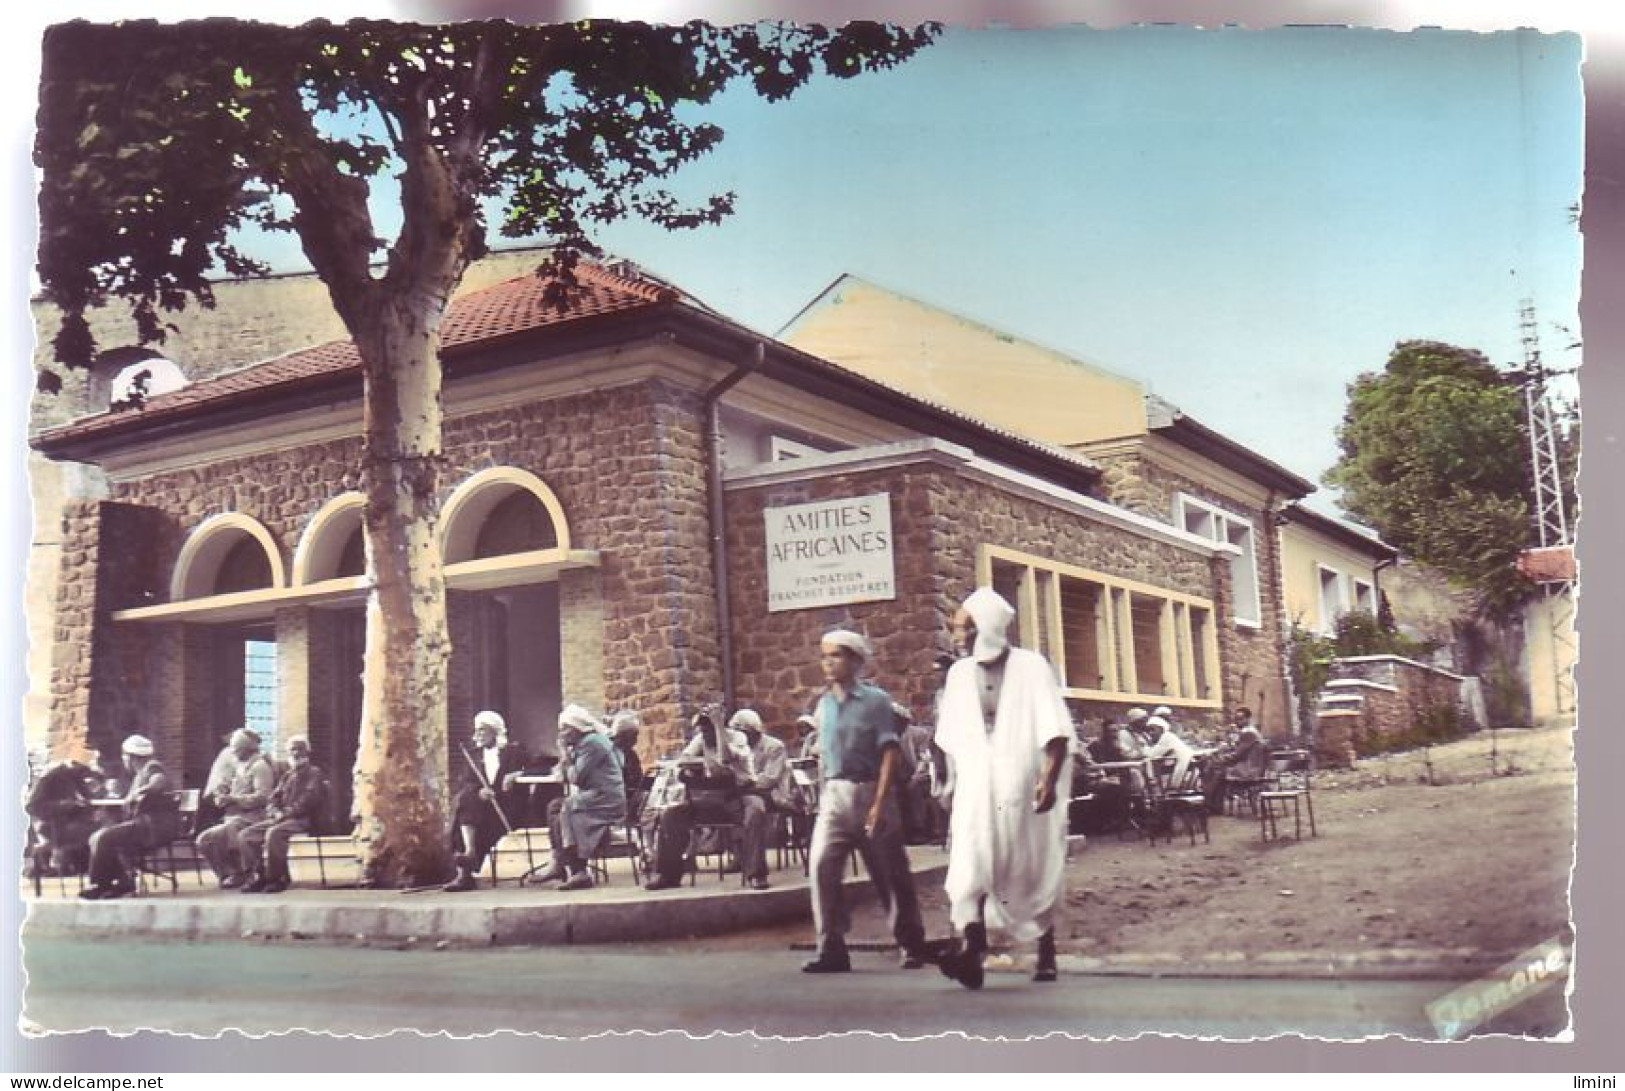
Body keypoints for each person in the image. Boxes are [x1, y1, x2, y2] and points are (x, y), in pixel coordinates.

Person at [934, 588, 1071, 988]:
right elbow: (952, 737)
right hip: (978, 783)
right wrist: (948, 781)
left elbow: (1055, 731)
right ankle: (972, 951)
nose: (955, 635)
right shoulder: (959, 675)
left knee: (1030, 862)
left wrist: (1048, 779)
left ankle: (1046, 950)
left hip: (1022, 778)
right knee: (971, 861)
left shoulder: (1031, 667)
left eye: (961, 628)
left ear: (984, 627)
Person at [801, 629, 927, 974]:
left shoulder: (875, 701)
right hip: (835, 795)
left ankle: (911, 942)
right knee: (823, 868)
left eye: (837, 655)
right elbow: (825, 757)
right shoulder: (823, 705)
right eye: (825, 655)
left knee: (889, 870)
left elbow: (889, 751)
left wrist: (879, 803)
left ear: (856, 661)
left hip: (871, 790)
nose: (828, 663)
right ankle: (831, 949)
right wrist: (823, 796)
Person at [642, 709, 753, 891]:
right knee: (671, 816)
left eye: (709, 728)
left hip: (737, 798)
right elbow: (683, 760)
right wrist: (689, 767)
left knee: (754, 811)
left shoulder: (737, 738)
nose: (705, 734)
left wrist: (719, 729)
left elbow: (726, 758)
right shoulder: (702, 739)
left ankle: (752, 869)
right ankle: (667, 874)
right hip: (709, 799)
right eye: (703, 729)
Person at [533, 705, 628, 891]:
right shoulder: (581, 744)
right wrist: (566, 761)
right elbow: (563, 773)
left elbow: (575, 777)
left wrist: (563, 753)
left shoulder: (593, 743)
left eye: (565, 728)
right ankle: (560, 861)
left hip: (606, 798)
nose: (562, 733)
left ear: (577, 728)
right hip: (593, 795)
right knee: (554, 807)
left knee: (569, 807)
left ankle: (579, 871)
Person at [79, 734, 181, 900]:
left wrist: (142, 792)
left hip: (152, 827)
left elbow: (159, 781)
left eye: (125, 757)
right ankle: (122, 881)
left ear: (132, 758)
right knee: (96, 837)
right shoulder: (139, 774)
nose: (124, 761)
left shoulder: (151, 767)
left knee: (105, 837)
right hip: (144, 825)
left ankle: (101, 884)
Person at [443, 710, 526, 892]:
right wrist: (480, 792)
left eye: (482, 730)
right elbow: (465, 782)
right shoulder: (473, 755)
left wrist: (516, 775)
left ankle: (466, 870)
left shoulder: (514, 751)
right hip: (480, 809)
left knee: (466, 813)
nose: (477, 735)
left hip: (506, 809)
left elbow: (537, 768)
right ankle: (468, 857)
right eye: (477, 730)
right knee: (466, 803)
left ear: (494, 731)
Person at [240, 736, 330, 893]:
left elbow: (308, 800)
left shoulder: (314, 773)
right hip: (282, 818)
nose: (295, 753)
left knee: (274, 833)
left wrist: (286, 813)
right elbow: (273, 798)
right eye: (291, 750)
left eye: (298, 749)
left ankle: (278, 878)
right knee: (246, 835)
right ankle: (257, 876)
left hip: (304, 820)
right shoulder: (287, 775)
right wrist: (274, 811)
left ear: (307, 751)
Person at [195, 728, 277, 889]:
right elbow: (232, 790)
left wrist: (234, 799)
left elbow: (263, 797)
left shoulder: (260, 767)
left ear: (246, 749)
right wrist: (222, 795)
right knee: (204, 840)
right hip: (233, 818)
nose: (232, 753)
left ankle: (246, 873)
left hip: (252, 818)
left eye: (236, 750)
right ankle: (229, 873)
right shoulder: (239, 766)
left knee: (225, 834)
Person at [731, 708, 790, 890]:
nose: (740, 736)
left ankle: (756, 873)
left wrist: (743, 782)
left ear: (754, 731)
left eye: (743, 732)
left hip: (767, 794)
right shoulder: (735, 746)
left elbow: (769, 779)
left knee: (755, 811)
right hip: (742, 792)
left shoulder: (774, 747)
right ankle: (740, 857)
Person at [25, 760, 100, 877]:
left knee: (97, 828)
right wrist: (63, 805)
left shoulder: (75, 775)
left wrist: (86, 804)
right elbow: (32, 806)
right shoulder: (51, 776)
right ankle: (45, 854)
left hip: (69, 822)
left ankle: (84, 866)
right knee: (96, 833)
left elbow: (87, 798)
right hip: (51, 823)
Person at [895, 702, 941, 845]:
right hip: (899, 778)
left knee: (914, 789)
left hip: (920, 774)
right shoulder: (887, 737)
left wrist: (916, 776)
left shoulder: (919, 734)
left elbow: (925, 759)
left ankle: (918, 830)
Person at [1142, 714, 1196, 789]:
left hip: (1181, 776)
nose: (1150, 733)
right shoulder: (1169, 736)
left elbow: (1151, 755)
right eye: (1149, 731)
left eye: (1153, 729)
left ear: (1161, 729)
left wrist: (1147, 745)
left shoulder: (1166, 738)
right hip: (1187, 773)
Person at [609, 711, 645, 801]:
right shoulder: (607, 753)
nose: (635, 740)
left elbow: (638, 777)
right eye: (633, 735)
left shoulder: (631, 754)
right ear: (623, 735)